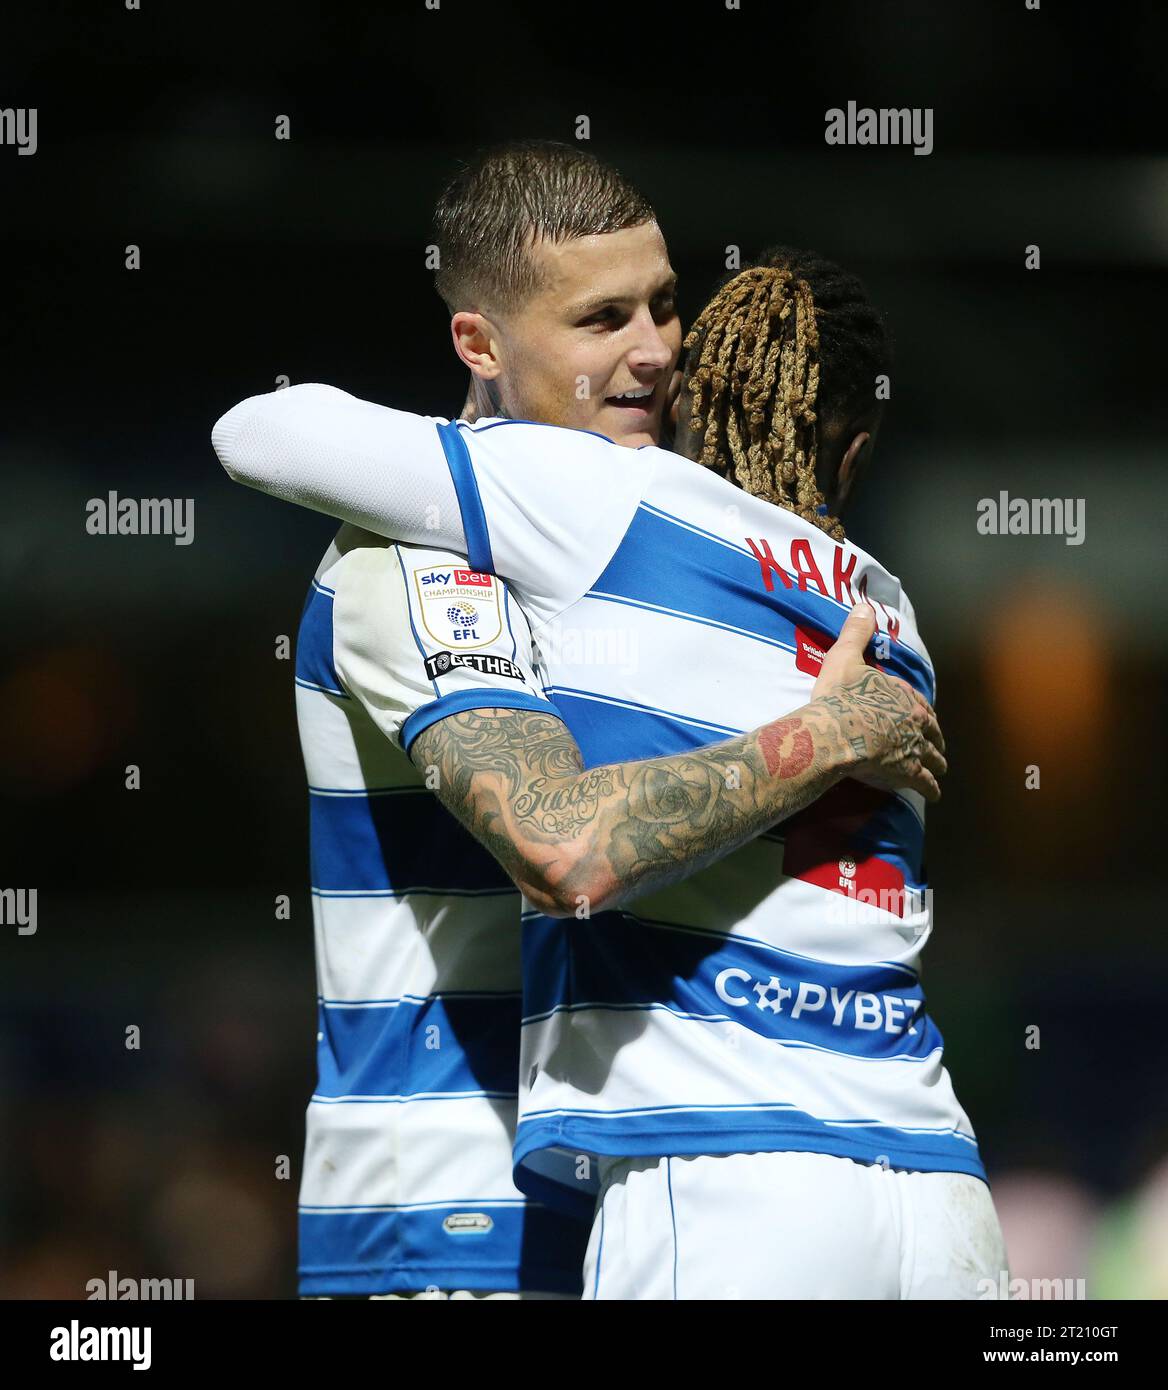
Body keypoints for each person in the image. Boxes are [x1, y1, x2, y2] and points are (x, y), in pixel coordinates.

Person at [213, 239, 1005, 1297]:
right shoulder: (894, 614)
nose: (646, 350)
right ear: (855, 453)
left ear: (691, 393)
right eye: (606, 320)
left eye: (666, 314)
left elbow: (262, 430)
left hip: (720, 1164)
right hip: (936, 1177)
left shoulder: (614, 501)